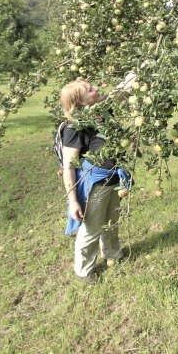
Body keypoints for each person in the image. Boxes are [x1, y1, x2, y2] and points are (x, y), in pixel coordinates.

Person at [60, 76, 135, 284]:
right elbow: (69, 165)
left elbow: (124, 87)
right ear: (82, 102)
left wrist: (146, 63)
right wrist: (73, 201)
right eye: (90, 89)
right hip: (96, 184)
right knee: (92, 228)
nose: (96, 88)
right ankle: (83, 270)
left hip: (114, 179)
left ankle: (112, 253)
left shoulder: (103, 110)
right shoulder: (75, 128)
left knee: (112, 221)